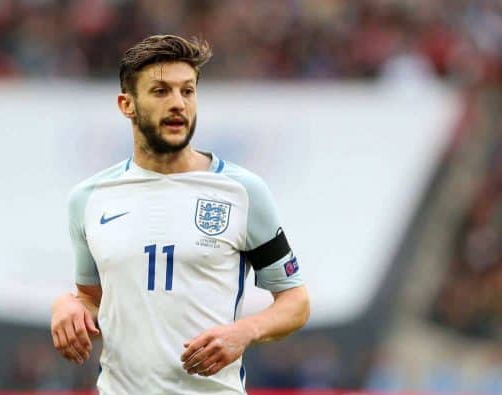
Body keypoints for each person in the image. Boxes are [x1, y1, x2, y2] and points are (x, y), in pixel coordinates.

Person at [50, 34, 310, 395]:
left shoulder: (242, 191)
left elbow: (295, 301)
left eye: (187, 91)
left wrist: (244, 332)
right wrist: (66, 305)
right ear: (127, 104)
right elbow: (92, 300)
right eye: (160, 91)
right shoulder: (88, 199)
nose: (178, 104)